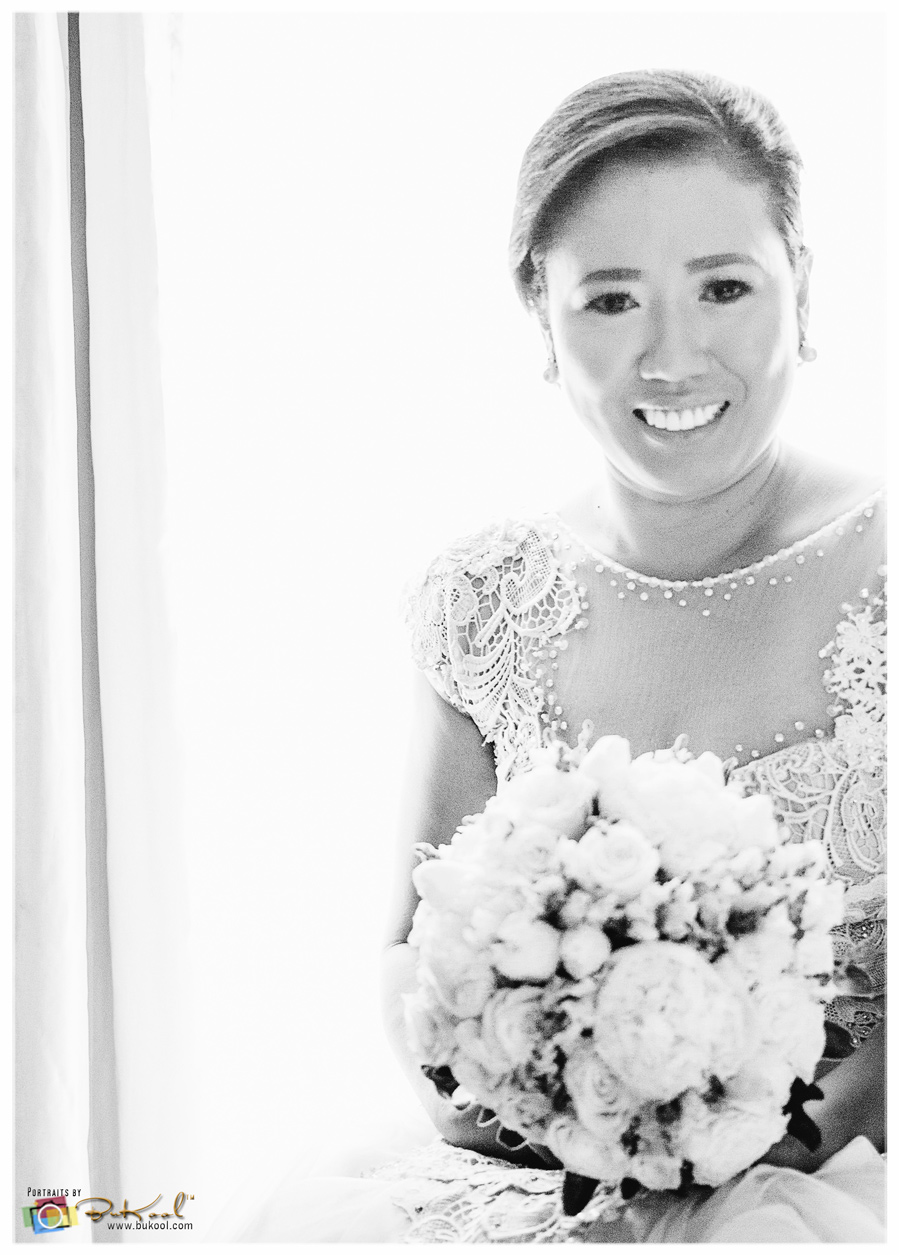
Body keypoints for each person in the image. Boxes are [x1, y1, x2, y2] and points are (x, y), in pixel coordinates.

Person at [236, 69, 885, 1243]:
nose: (672, 356)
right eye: (610, 300)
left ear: (800, 285)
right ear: (541, 317)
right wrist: (555, 1107)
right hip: (538, 1184)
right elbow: (410, 957)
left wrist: (746, 1137)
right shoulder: (481, 599)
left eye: (722, 286)